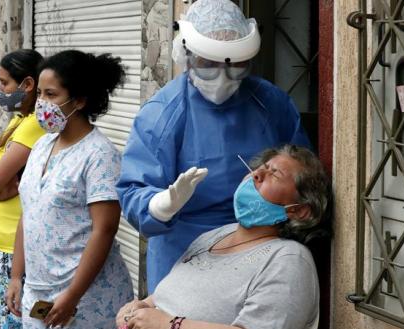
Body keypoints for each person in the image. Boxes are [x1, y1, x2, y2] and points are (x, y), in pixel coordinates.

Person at [117, 0, 312, 293]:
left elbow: (305, 171)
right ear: (186, 54)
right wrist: (161, 204)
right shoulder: (163, 113)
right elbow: (134, 191)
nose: (222, 77)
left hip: (261, 245)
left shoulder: (270, 102)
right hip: (185, 253)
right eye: (208, 65)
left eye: (235, 66)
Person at [113, 145, 332, 329]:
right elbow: (166, 297)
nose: (256, 174)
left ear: (299, 211)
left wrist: (171, 328)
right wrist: (138, 307)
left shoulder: (288, 259)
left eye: (274, 174)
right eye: (260, 168)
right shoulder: (215, 236)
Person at [5, 50, 133, 329]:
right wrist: (17, 276)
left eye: (51, 95)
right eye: (40, 95)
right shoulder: (41, 147)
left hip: (86, 298)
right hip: (38, 291)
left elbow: (104, 230)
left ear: (79, 101)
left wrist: (73, 295)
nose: (41, 104)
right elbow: (28, 213)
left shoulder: (99, 155)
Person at [0, 49, 45, 329]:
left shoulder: (34, 124)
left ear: (29, 83)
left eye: (4, 83)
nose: (0, 90)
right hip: (3, 244)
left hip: (17, 249)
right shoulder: (18, 120)